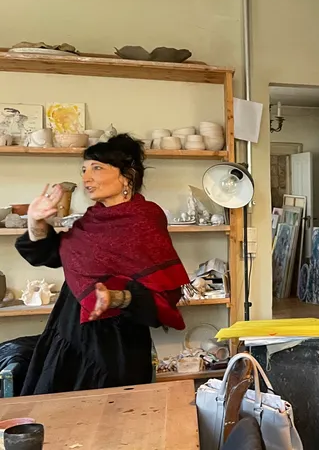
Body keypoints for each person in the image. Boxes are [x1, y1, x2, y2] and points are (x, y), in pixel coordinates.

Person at [15, 134, 190, 395]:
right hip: (70, 334)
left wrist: (116, 297)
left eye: (96, 168)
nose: (86, 178)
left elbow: (162, 295)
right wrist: (36, 221)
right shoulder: (92, 219)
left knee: (112, 413)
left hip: (116, 347)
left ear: (126, 176)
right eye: (84, 170)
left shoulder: (145, 218)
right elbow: (50, 256)